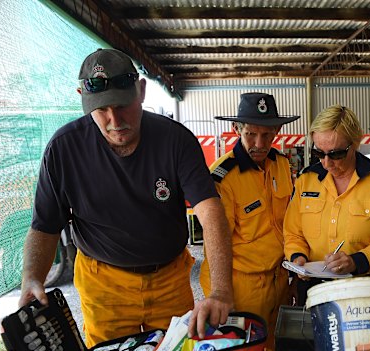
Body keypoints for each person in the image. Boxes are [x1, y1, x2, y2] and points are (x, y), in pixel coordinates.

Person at [18, 48, 233, 346]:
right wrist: (32, 277)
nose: (114, 119)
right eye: (101, 109)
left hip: (169, 279)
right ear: (83, 97)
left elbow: (211, 212)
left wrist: (220, 291)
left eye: (122, 105)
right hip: (103, 285)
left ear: (141, 91)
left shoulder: (176, 141)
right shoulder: (63, 150)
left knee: (177, 345)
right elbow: (45, 226)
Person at [200, 92, 299, 349]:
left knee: (277, 344)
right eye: (251, 134)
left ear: (277, 130)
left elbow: (289, 222)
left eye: (267, 135)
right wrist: (220, 294)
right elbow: (215, 244)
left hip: (279, 279)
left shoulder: (281, 165)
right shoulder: (223, 178)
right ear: (237, 129)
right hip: (242, 287)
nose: (259, 143)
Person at [283, 104, 370, 306]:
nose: (326, 162)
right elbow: (293, 233)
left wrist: (355, 262)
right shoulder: (306, 179)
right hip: (312, 291)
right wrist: (298, 257)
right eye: (319, 153)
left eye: (335, 154)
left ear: (355, 143)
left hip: (364, 292)